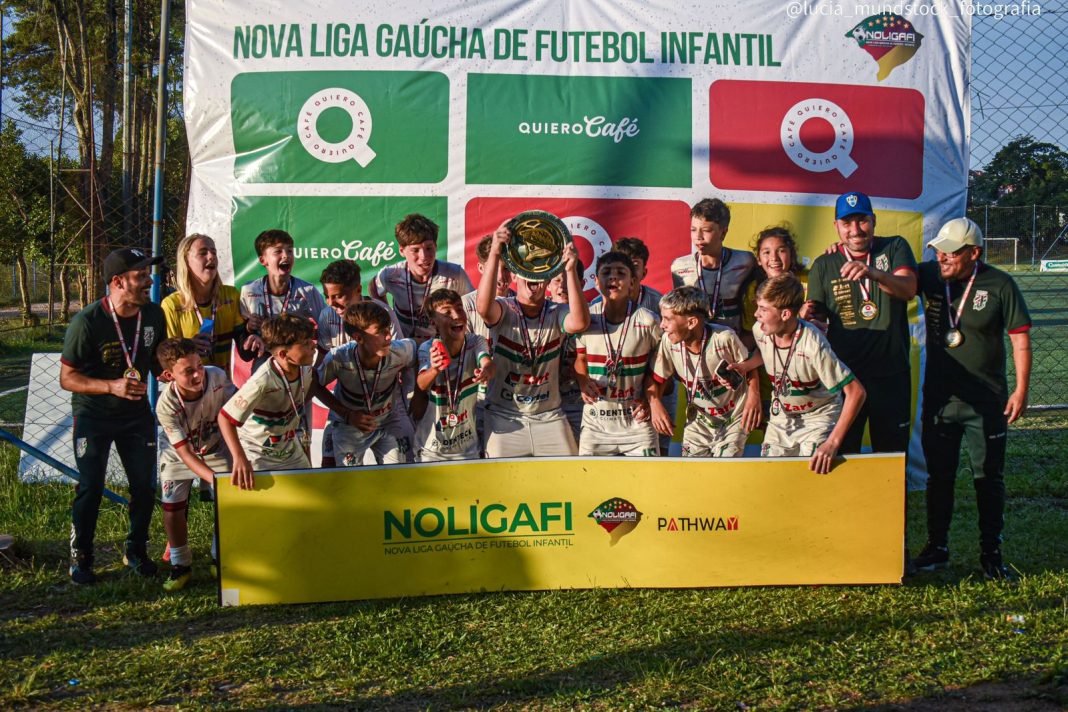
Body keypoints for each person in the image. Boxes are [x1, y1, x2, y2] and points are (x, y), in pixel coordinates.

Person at [911, 218, 1032, 580]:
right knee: (939, 476)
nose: (941, 257)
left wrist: (1021, 390)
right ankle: (937, 547)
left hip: (987, 401)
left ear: (974, 253)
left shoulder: (1000, 284)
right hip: (941, 400)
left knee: (988, 478)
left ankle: (991, 554)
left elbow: (1020, 340)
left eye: (950, 252)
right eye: (938, 250)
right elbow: (894, 272)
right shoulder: (931, 276)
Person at [60, 247, 167, 584]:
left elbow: (156, 361)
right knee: (91, 486)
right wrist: (111, 387)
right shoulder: (87, 321)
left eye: (148, 274)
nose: (149, 281)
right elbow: (67, 378)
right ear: (118, 282)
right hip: (93, 415)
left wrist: (171, 369)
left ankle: (136, 550)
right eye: (141, 275)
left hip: (136, 414)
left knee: (144, 486)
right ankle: (81, 556)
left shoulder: (153, 315)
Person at [806, 191, 918, 454]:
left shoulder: (894, 247)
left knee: (891, 455)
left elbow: (908, 289)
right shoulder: (824, 263)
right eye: (847, 223)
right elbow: (816, 316)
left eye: (862, 221)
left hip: (891, 375)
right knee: (844, 455)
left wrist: (874, 274)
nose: (855, 230)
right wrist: (806, 315)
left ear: (874, 220)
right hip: (844, 378)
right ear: (836, 226)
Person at [476, 222, 591, 458]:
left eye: (540, 272)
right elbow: (484, 309)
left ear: (547, 281)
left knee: (569, 475)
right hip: (504, 416)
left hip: (549, 417)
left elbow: (580, 322)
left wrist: (570, 269)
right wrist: (495, 253)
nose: (533, 277)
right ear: (514, 275)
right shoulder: (505, 309)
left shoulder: (556, 312)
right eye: (527, 270)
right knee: (501, 478)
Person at [736, 274, 866, 474]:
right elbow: (765, 352)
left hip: (817, 416)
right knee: (773, 475)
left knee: (809, 474)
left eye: (763, 309)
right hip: (782, 417)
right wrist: (746, 366)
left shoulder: (813, 344)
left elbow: (856, 392)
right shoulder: (760, 330)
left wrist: (832, 443)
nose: (756, 314)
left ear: (785, 314)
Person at [154, 338, 235, 591]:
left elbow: (235, 414)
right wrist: (215, 480)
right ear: (169, 375)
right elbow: (186, 454)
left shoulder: (217, 376)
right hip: (178, 454)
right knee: (172, 507)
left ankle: (219, 557)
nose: (198, 374)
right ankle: (180, 564)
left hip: (214, 447)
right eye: (188, 371)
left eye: (199, 365)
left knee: (227, 500)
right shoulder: (165, 405)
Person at [648, 287, 761, 457]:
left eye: (667, 319)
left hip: (732, 420)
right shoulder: (668, 341)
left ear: (691, 322)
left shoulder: (724, 337)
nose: (662, 325)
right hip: (698, 423)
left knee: (724, 468)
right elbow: (655, 379)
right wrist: (655, 404)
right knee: (693, 470)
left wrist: (754, 397)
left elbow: (749, 367)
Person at [219, 315, 328, 487]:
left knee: (309, 491)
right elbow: (225, 418)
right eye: (306, 343)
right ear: (283, 354)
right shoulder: (262, 381)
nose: (313, 345)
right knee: (265, 500)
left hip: (289, 451)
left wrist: (346, 413)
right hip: (257, 454)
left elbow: (316, 387)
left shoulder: (306, 369)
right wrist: (239, 458)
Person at [315, 259, 403, 467]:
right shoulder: (327, 316)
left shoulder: (382, 313)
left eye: (338, 296)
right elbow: (315, 379)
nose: (330, 303)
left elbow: (400, 358)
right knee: (330, 468)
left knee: (400, 471)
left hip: (386, 409)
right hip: (347, 406)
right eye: (327, 296)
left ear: (357, 290)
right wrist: (346, 414)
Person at [574, 252, 662, 456]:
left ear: (632, 282)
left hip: (637, 423)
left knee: (648, 477)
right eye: (606, 272)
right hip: (596, 424)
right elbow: (580, 359)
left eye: (621, 273)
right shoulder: (587, 319)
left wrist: (650, 399)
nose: (613, 277)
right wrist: (582, 381)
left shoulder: (649, 321)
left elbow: (660, 369)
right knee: (588, 477)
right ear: (596, 282)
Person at [316, 302, 417, 466]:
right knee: (350, 478)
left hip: (388, 422)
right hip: (350, 425)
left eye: (388, 329)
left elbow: (420, 347)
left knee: (399, 474)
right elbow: (315, 385)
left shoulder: (399, 351)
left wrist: (419, 391)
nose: (389, 337)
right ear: (359, 338)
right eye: (380, 332)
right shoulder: (338, 358)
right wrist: (347, 414)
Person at [162, 234, 263, 372]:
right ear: (186, 261)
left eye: (214, 252)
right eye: (203, 253)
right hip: (190, 383)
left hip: (221, 382)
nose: (211, 257)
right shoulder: (172, 305)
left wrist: (252, 332)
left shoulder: (231, 296)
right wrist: (188, 347)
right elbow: (168, 362)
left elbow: (246, 354)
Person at [414, 289, 494, 461]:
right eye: (447, 312)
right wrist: (435, 369)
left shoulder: (475, 341)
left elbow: (487, 362)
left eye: (459, 309)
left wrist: (486, 370)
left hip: (468, 450)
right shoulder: (428, 348)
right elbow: (421, 384)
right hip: (431, 451)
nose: (457, 315)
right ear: (433, 322)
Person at [370, 214, 473, 344]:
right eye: (415, 250)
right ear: (402, 250)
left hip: (440, 346)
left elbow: (472, 306)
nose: (424, 256)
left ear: (436, 246)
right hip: (404, 346)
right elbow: (374, 287)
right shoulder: (390, 274)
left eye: (429, 248)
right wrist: (388, 316)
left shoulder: (454, 274)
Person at [670, 198, 757, 345]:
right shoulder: (679, 267)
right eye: (693, 230)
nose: (698, 237)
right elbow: (680, 310)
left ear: (723, 233)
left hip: (734, 343)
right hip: (698, 344)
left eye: (706, 230)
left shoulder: (745, 261)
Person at [239, 229, 327, 334]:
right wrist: (249, 326)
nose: (286, 255)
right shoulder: (249, 290)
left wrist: (304, 330)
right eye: (278, 251)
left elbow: (325, 327)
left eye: (290, 251)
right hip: (261, 345)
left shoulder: (308, 291)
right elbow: (240, 332)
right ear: (263, 260)